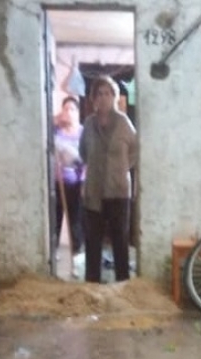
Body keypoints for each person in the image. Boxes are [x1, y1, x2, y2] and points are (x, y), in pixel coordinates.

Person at [78, 75, 138, 283]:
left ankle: (123, 285)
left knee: (120, 240)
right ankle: (91, 285)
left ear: (114, 96)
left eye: (107, 93)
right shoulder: (88, 124)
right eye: (99, 94)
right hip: (94, 190)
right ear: (93, 98)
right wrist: (97, 169)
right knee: (92, 241)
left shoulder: (124, 123)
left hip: (119, 191)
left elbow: (135, 151)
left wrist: (119, 169)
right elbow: (83, 152)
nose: (103, 98)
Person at [53, 96, 85, 264]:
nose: (69, 112)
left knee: (76, 219)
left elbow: (87, 158)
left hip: (77, 183)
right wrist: (55, 122)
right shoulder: (56, 131)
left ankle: (77, 252)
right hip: (58, 183)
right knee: (56, 217)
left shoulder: (82, 132)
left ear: (77, 112)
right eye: (66, 108)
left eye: (72, 109)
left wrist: (84, 181)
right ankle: (53, 250)